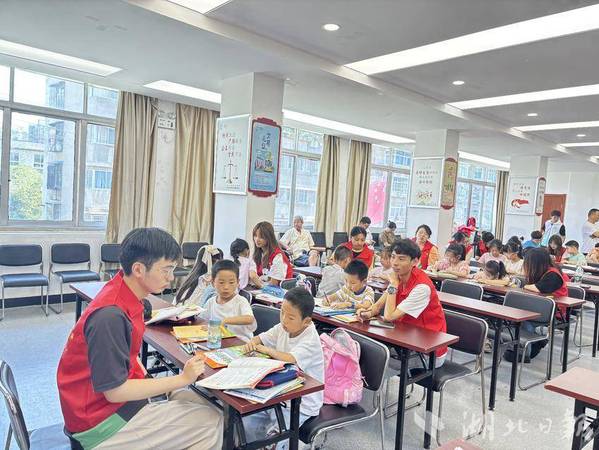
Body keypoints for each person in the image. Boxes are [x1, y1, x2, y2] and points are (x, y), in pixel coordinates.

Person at [57, 228, 223, 450]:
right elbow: (115, 392)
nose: (171, 277)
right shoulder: (110, 316)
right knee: (210, 422)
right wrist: (182, 379)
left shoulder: (125, 293)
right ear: (138, 269)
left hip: (105, 407)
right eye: (166, 269)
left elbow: (130, 358)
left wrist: (165, 385)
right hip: (99, 424)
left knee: (203, 403)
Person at [242, 288, 324, 449]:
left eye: (291, 317)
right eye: (282, 313)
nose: (284, 320)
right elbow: (261, 338)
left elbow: (290, 358)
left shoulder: (310, 339)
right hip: (279, 393)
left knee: (274, 441)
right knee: (245, 423)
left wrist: (265, 349)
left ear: (306, 321)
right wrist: (253, 342)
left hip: (302, 403)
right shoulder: (284, 327)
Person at [359, 239, 448, 367]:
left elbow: (389, 316)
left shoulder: (422, 287)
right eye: (393, 257)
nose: (394, 263)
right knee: (362, 348)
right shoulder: (399, 277)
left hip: (427, 353)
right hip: (404, 339)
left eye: (401, 259)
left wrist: (393, 284)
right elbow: (378, 306)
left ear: (415, 262)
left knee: (371, 358)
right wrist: (366, 313)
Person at [201, 260, 256, 342]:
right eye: (221, 282)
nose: (226, 287)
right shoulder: (211, 302)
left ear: (238, 283)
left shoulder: (241, 301)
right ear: (213, 283)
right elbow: (202, 319)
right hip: (220, 340)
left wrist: (225, 321)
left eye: (231, 282)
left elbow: (249, 319)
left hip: (241, 342)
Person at [523, 247, 570, 316]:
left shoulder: (553, 274)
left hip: (554, 310)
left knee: (522, 311)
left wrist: (524, 286)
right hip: (541, 304)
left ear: (536, 262)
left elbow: (538, 288)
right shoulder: (541, 271)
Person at [253, 221, 294, 286]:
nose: (257, 239)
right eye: (255, 236)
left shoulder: (277, 255)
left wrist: (259, 283)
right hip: (264, 287)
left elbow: (274, 283)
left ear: (269, 237)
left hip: (280, 289)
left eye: (261, 237)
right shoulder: (259, 253)